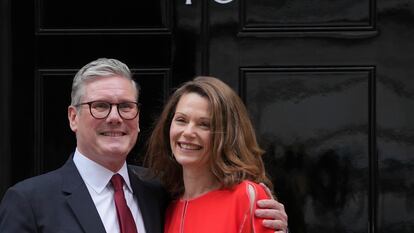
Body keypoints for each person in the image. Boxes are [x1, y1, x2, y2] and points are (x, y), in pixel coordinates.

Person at [0, 58, 287, 233]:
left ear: (137, 117)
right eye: (100, 106)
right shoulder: (29, 202)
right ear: (73, 117)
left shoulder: (160, 190)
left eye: (125, 106)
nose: (115, 118)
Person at [144, 76, 288, 233]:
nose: (188, 132)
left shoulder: (246, 197)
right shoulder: (168, 207)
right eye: (181, 120)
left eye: (204, 124)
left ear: (227, 134)